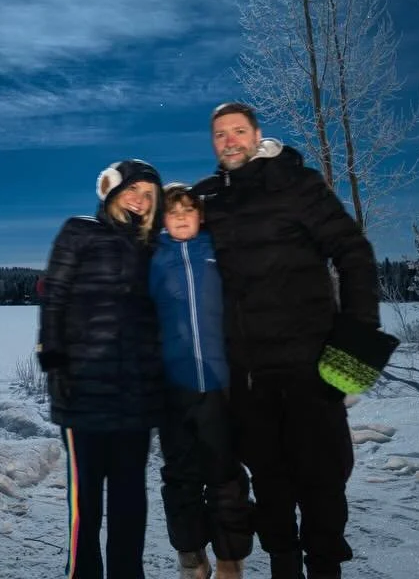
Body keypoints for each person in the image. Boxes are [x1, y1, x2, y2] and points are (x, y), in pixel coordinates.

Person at [193, 102, 381, 579]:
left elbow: (354, 254)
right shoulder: (210, 199)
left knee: (322, 480)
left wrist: (354, 354)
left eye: (239, 131)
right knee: (269, 482)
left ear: (257, 135)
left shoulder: (298, 184)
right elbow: (167, 241)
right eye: (220, 134)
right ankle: (283, 567)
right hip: (248, 374)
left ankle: (324, 568)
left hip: (310, 366)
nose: (230, 140)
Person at [36, 159, 166, 579]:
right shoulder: (80, 231)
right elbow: (54, 298)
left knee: (130, 500)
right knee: (86, 501)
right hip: (84, 391)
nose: (140, 200)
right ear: (112, 192)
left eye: (149, 194)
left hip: (136, 397)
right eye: (132, 190)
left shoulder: (153, 246)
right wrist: (55, 364)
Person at [149, 183, 253, 579]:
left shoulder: (218, 250)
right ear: (162, 219)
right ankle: (191, 553)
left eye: (188, 209)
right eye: (172, 211)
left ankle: (230, 557)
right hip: (172, 387)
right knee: (180, 476)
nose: (180, 217)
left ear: (201, 214)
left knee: (225, 473)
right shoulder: (153, 257)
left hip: (219, 383)